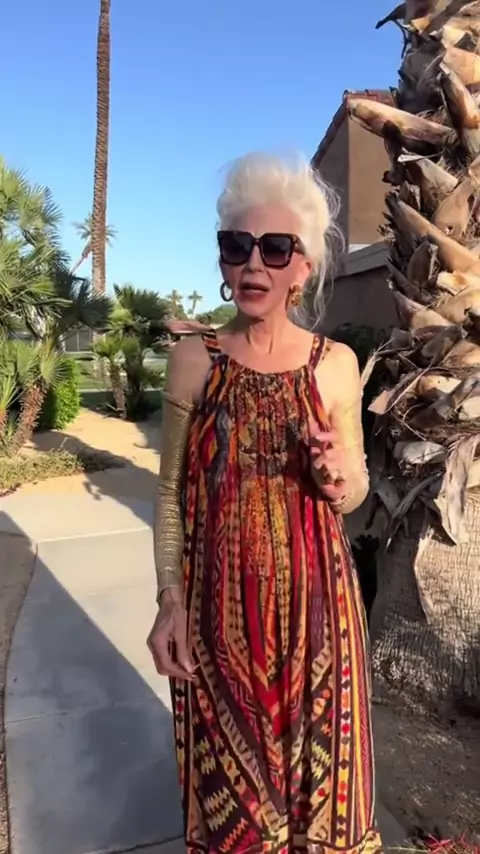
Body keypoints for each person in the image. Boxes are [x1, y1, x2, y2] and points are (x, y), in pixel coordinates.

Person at [148, 152, 381, 854]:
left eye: (276, 248)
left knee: (323, 800)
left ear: (302, 268)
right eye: (237, 246)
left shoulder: (334, 365)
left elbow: (354, 491)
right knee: (236, 817)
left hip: (320, 616)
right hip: (218, 621)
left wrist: (338, 476)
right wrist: (169, 602)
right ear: (224, 260)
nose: (254, 263)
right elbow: (169, 492)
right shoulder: (195, 360)